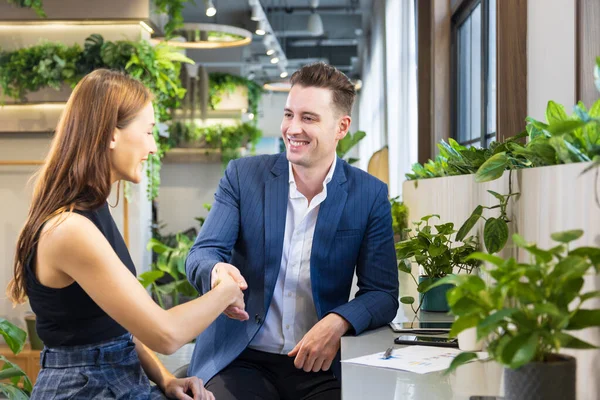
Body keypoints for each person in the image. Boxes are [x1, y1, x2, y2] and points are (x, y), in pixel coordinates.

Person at [7, 69, 248, 400]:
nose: (152, 146)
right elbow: (167, 334)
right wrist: (228, 288)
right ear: (111, 134)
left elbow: (117, 329)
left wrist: (165, 380)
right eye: (148, 132)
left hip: (118, 380)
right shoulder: (71, 230)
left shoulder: (94, 212)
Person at [185, 62, 399, 400]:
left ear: (341, 127)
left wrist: (338, 321)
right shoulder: (244, 177)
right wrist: (216, 272)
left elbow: (383, 293)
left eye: (308, 118)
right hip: (241, 358)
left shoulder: (368, 195)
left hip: (319, 364)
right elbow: (202, 254)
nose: (292, 128)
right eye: (289, 114)